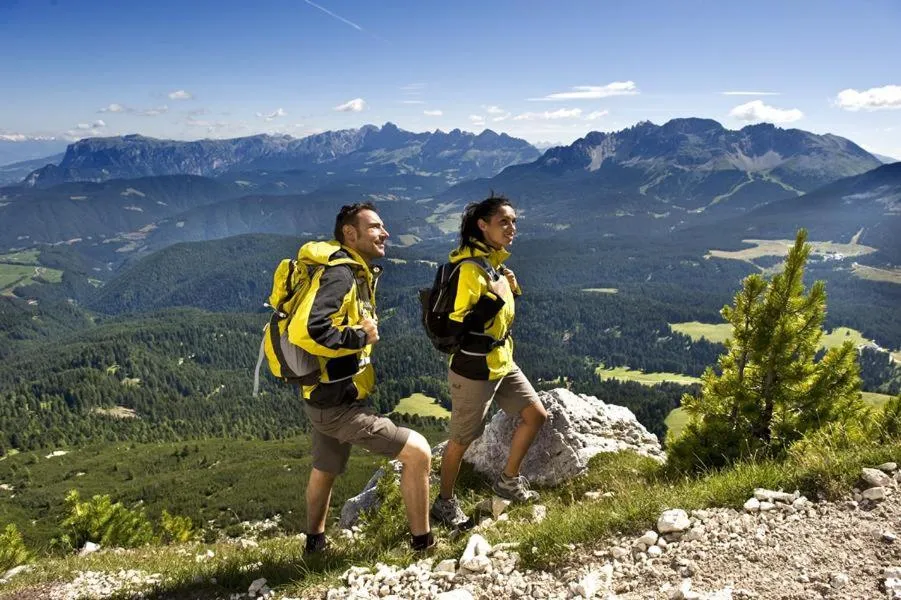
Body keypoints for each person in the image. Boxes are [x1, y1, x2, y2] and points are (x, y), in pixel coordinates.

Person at [289, 202, 434, 553]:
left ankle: (314, 544)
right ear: (350, 234)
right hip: (338, 406)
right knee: (418, 453)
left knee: (326, 467)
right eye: (376, 227)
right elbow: (307, 328)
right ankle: (423, 544)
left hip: (322, 396)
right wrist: (359, 336)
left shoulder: (348, 270)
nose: (385, 233)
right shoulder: (340, 273)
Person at [430, 194, 548, 527]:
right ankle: (444, 502)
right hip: (473, 366)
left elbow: (499, 313)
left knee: (535, 415)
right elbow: (458, 325)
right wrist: (494, 298)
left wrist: (507, 290)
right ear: (482, 226)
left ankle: (508, 481)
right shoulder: (470, 269)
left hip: (501, 359)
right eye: (504, 222)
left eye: (514, 221)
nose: (512, 228)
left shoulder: (491, 263)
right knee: (461, 439)